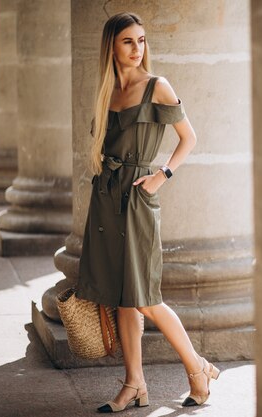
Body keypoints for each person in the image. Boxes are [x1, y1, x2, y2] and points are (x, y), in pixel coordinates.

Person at [75, 12, 220, 413]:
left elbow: (189, 138)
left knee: (145, 298)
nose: (138, 48)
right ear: (112, 47)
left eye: (141, 40)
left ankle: (197, 369)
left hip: (138, 197)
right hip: (107, 196)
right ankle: (134, 383)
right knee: (123, 297)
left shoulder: (157, 86)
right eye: (128, 41)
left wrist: (162, 175)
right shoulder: (108, 92)